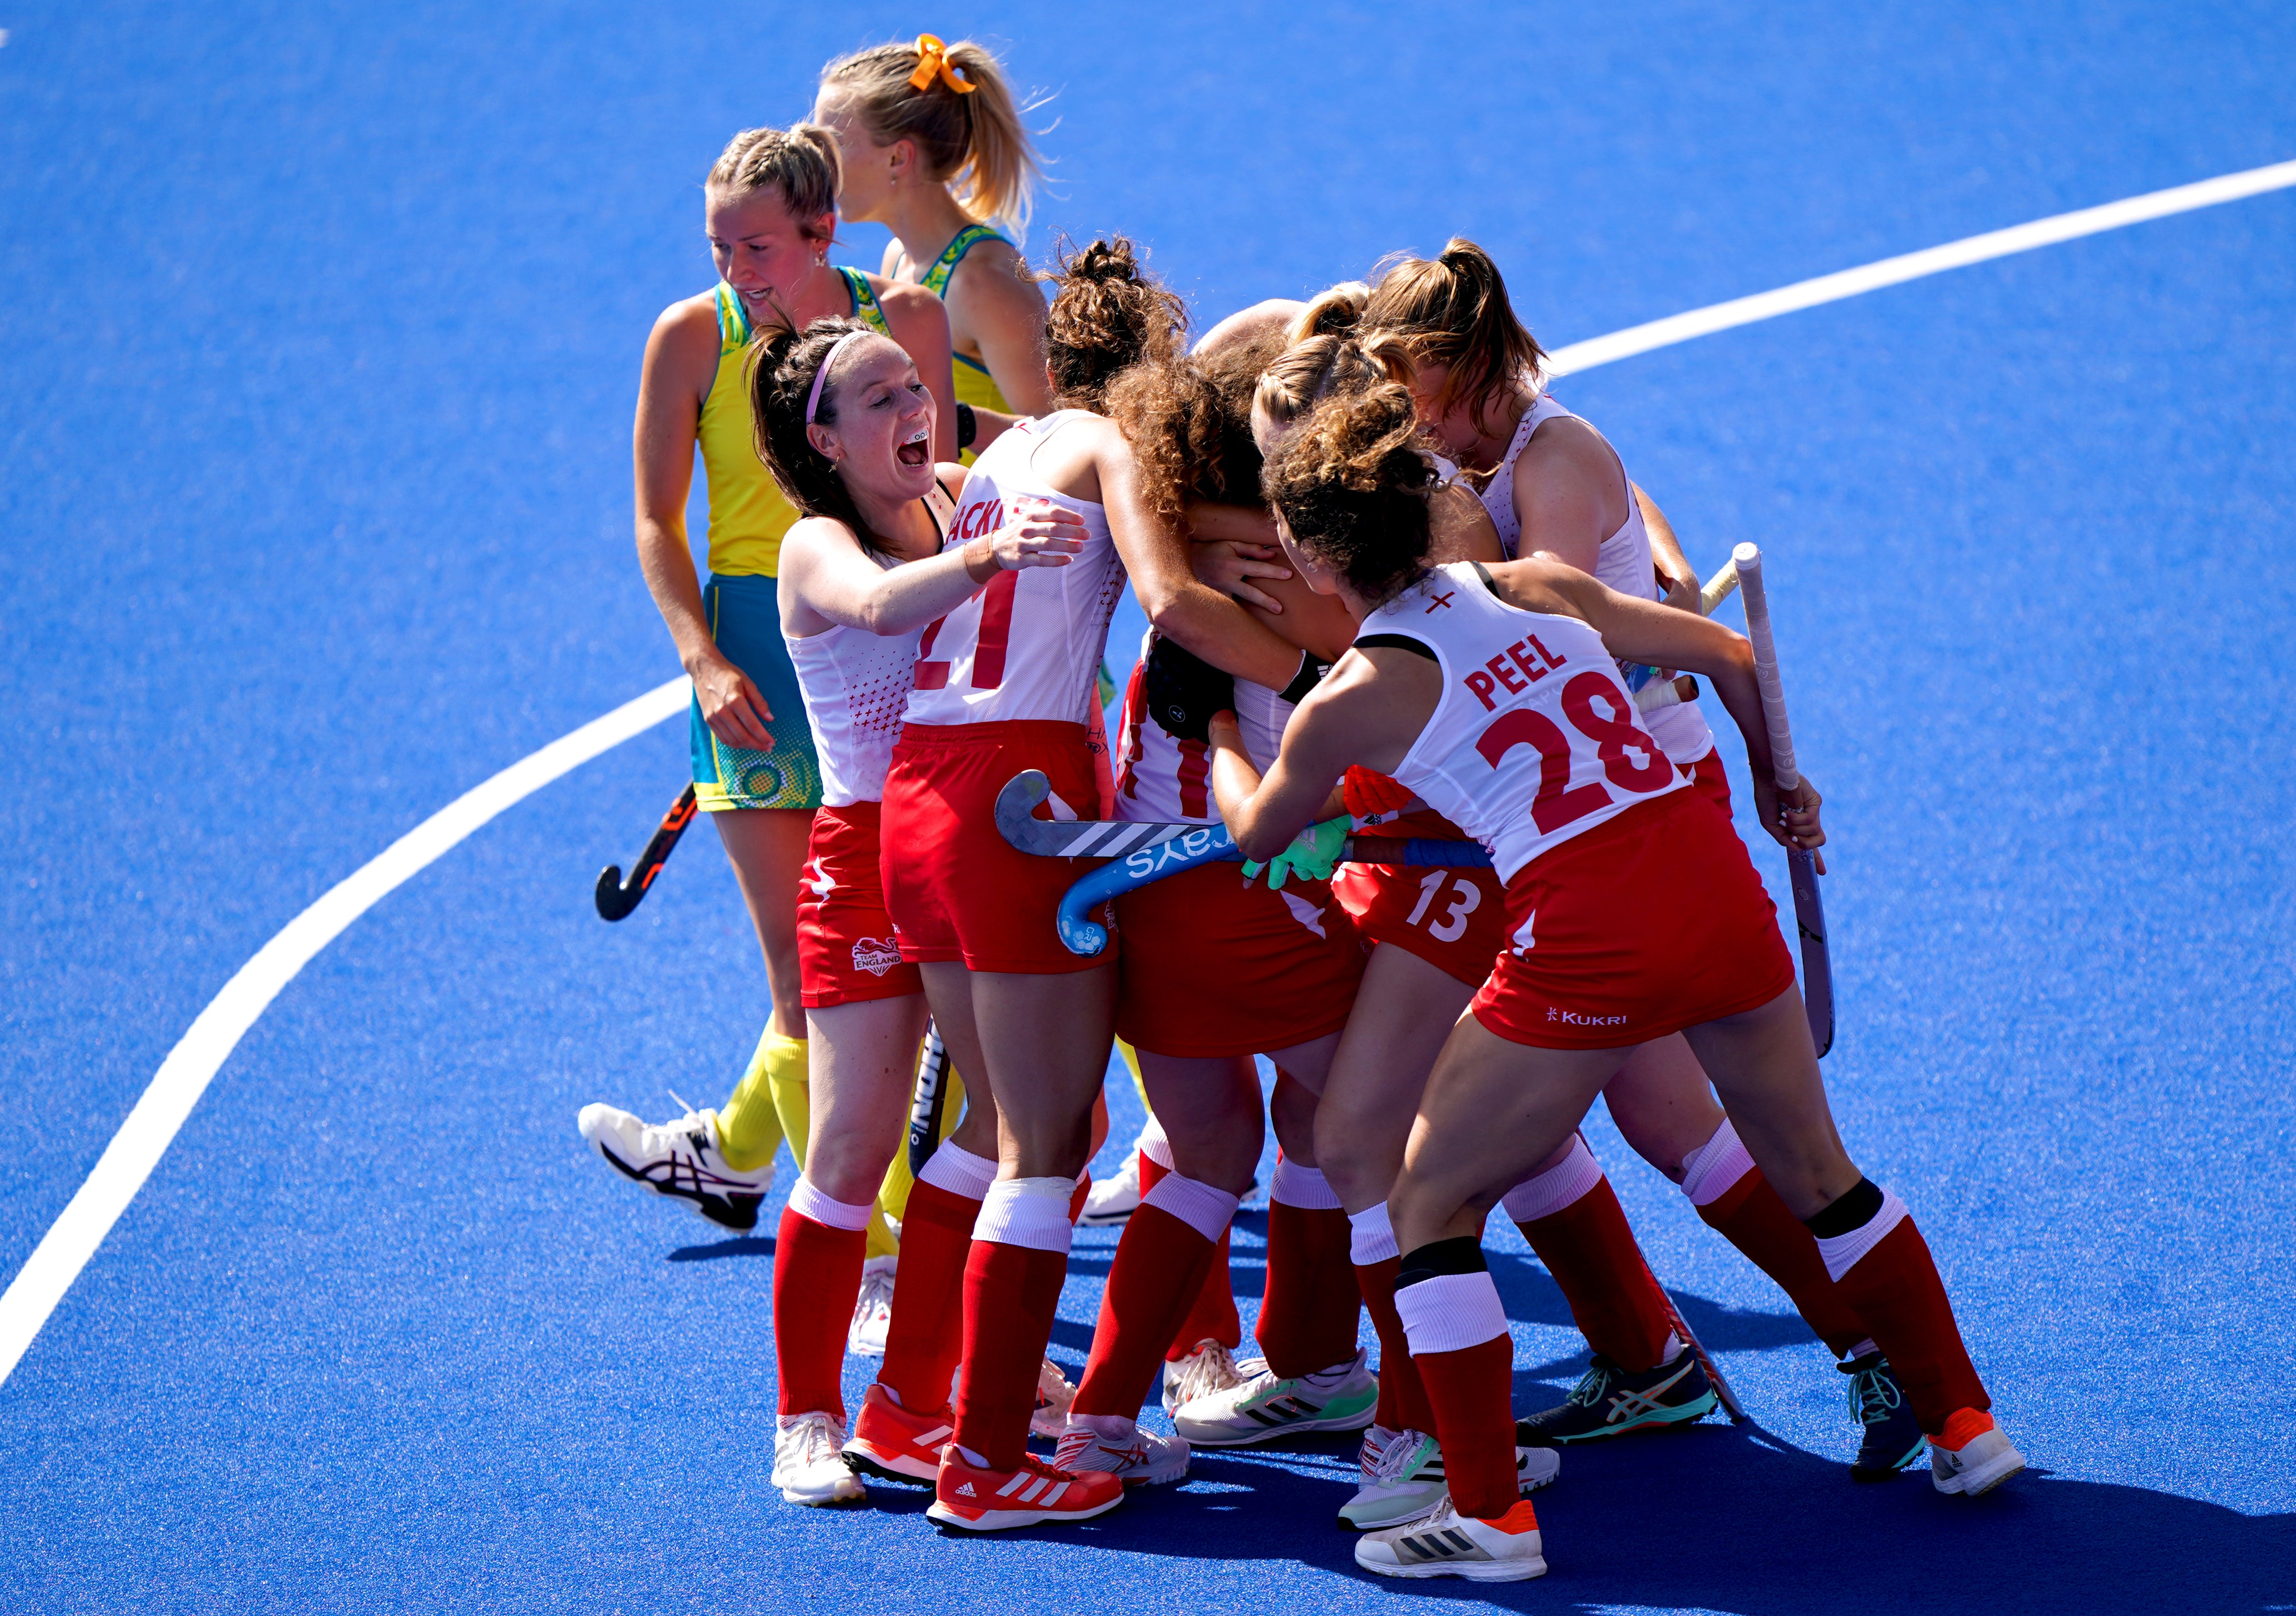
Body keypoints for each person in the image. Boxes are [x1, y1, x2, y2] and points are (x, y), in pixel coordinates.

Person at [1213, 383, 2022, 1582]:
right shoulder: (1530, 585)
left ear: (1308, 551)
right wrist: (1769, 783)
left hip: (1589, 931)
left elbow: (1254, 832)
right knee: (1822, 1173)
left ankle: (1488, 1514)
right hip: (1711, 882)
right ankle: (1966, 1423)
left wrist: (1222, 740)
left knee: (1427, 1202)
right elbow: (1729, 652)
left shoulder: (1347, 702)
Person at [1363, 240, 1928, 1481]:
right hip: (1572, 819)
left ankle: (1842, 1354)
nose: (1397, 422)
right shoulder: (1478, 447)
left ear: (1459, 366)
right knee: (1669, 1120)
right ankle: (1816, 1356)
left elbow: (1543, 616)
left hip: (1636, 804)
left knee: (1655, 1125)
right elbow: (1645, 564)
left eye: (1405, 387)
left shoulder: (1546, 457)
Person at [872, 238, 1308, 1532]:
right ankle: (991, 1456)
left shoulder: (998, 452)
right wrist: (1321, 684)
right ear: (1144, 390)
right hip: (1018, 795)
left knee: (985, 1124)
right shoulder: (1108, 447)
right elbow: (1169, 597)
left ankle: (920, 1402)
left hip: (920, 793)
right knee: (1045, 1140)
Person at [576, 125, 953, 1261]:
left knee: (920, 962)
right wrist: (702, 656)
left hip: (887, 640)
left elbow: (931, 476)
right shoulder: (692, 337)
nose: (733, 269)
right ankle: (878, 1253)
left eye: (755, 247)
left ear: (821, 233)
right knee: (809, 977)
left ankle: (738, 1154)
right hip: (753, 658)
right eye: (717, 246)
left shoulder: (896, 322)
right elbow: (654, 518)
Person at [742, 316, 1084, 1504]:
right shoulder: (814, 546)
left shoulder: (953, 493)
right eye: (878, 398)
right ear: (822, 440)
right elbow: (885, 607)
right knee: (851, 1147)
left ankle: (923, 1383)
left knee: (995, 1124)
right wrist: (993, 559)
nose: (913, 405)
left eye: (913, 385)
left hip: (964, 839)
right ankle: (804, 1415)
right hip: (865, 853)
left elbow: (1036, 440)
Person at [812, 33, 1053, 453]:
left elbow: (1062, 436)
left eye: (834, 144)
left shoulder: (982, 283)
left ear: (898, 159)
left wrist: (957, 422)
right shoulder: (898, 259)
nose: (820, 163)